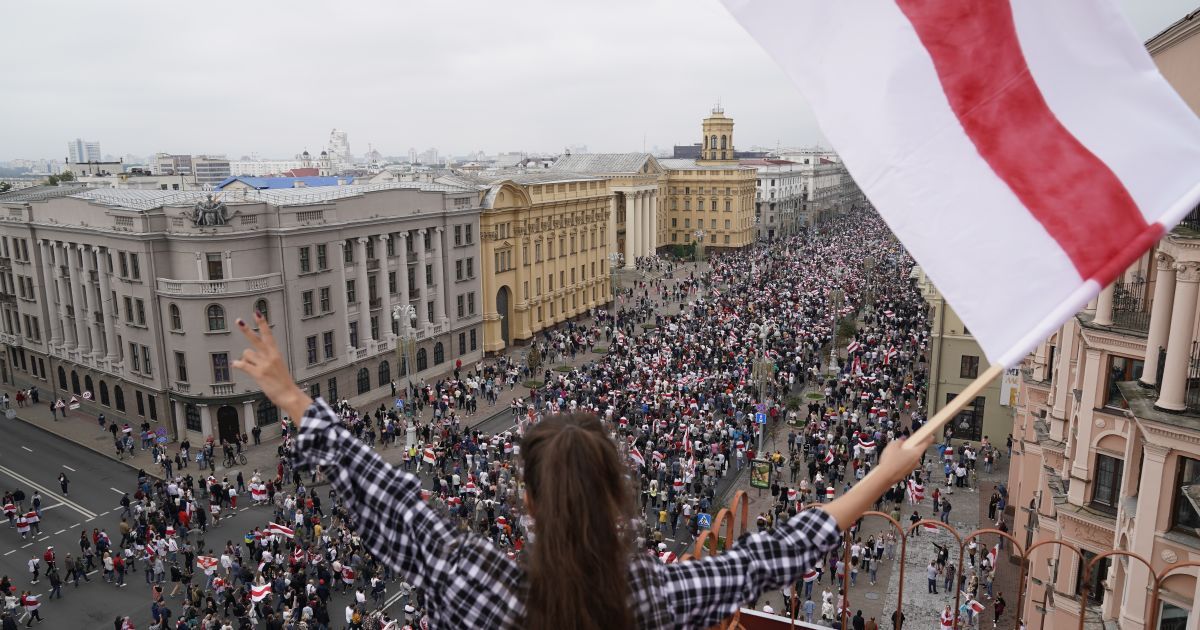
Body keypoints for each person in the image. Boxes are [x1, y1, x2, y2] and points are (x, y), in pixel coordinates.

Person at [231, 311, 932, 628]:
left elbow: (390, 496)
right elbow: (770, 556)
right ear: (617, 498)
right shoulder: (652, 595)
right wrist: (881, 474)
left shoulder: (470, 577)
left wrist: (292, 397)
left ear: (528, 502)